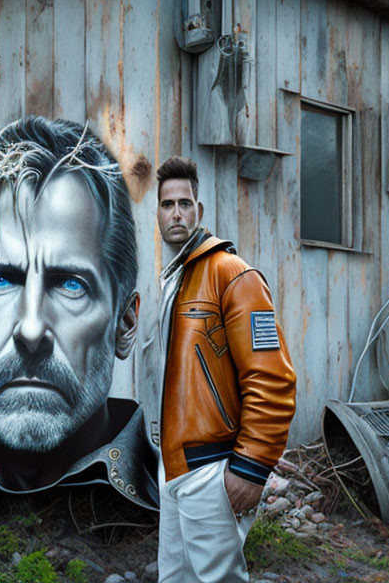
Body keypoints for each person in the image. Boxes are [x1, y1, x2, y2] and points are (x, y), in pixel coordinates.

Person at [0, 116, 157, 511]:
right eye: (1, 281)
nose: (30, 328)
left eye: (71, 285)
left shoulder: (180, 498)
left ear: (125, 323)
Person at [154, 157, 296, 583]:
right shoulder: (174, 281)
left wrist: (252, 467)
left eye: (184, 203)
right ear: (158, 214)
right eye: (166, 205)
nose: (175, 213)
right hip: (174, 468)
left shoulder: (231, 274)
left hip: (212, 470)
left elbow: (271, 377)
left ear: (199, 210)